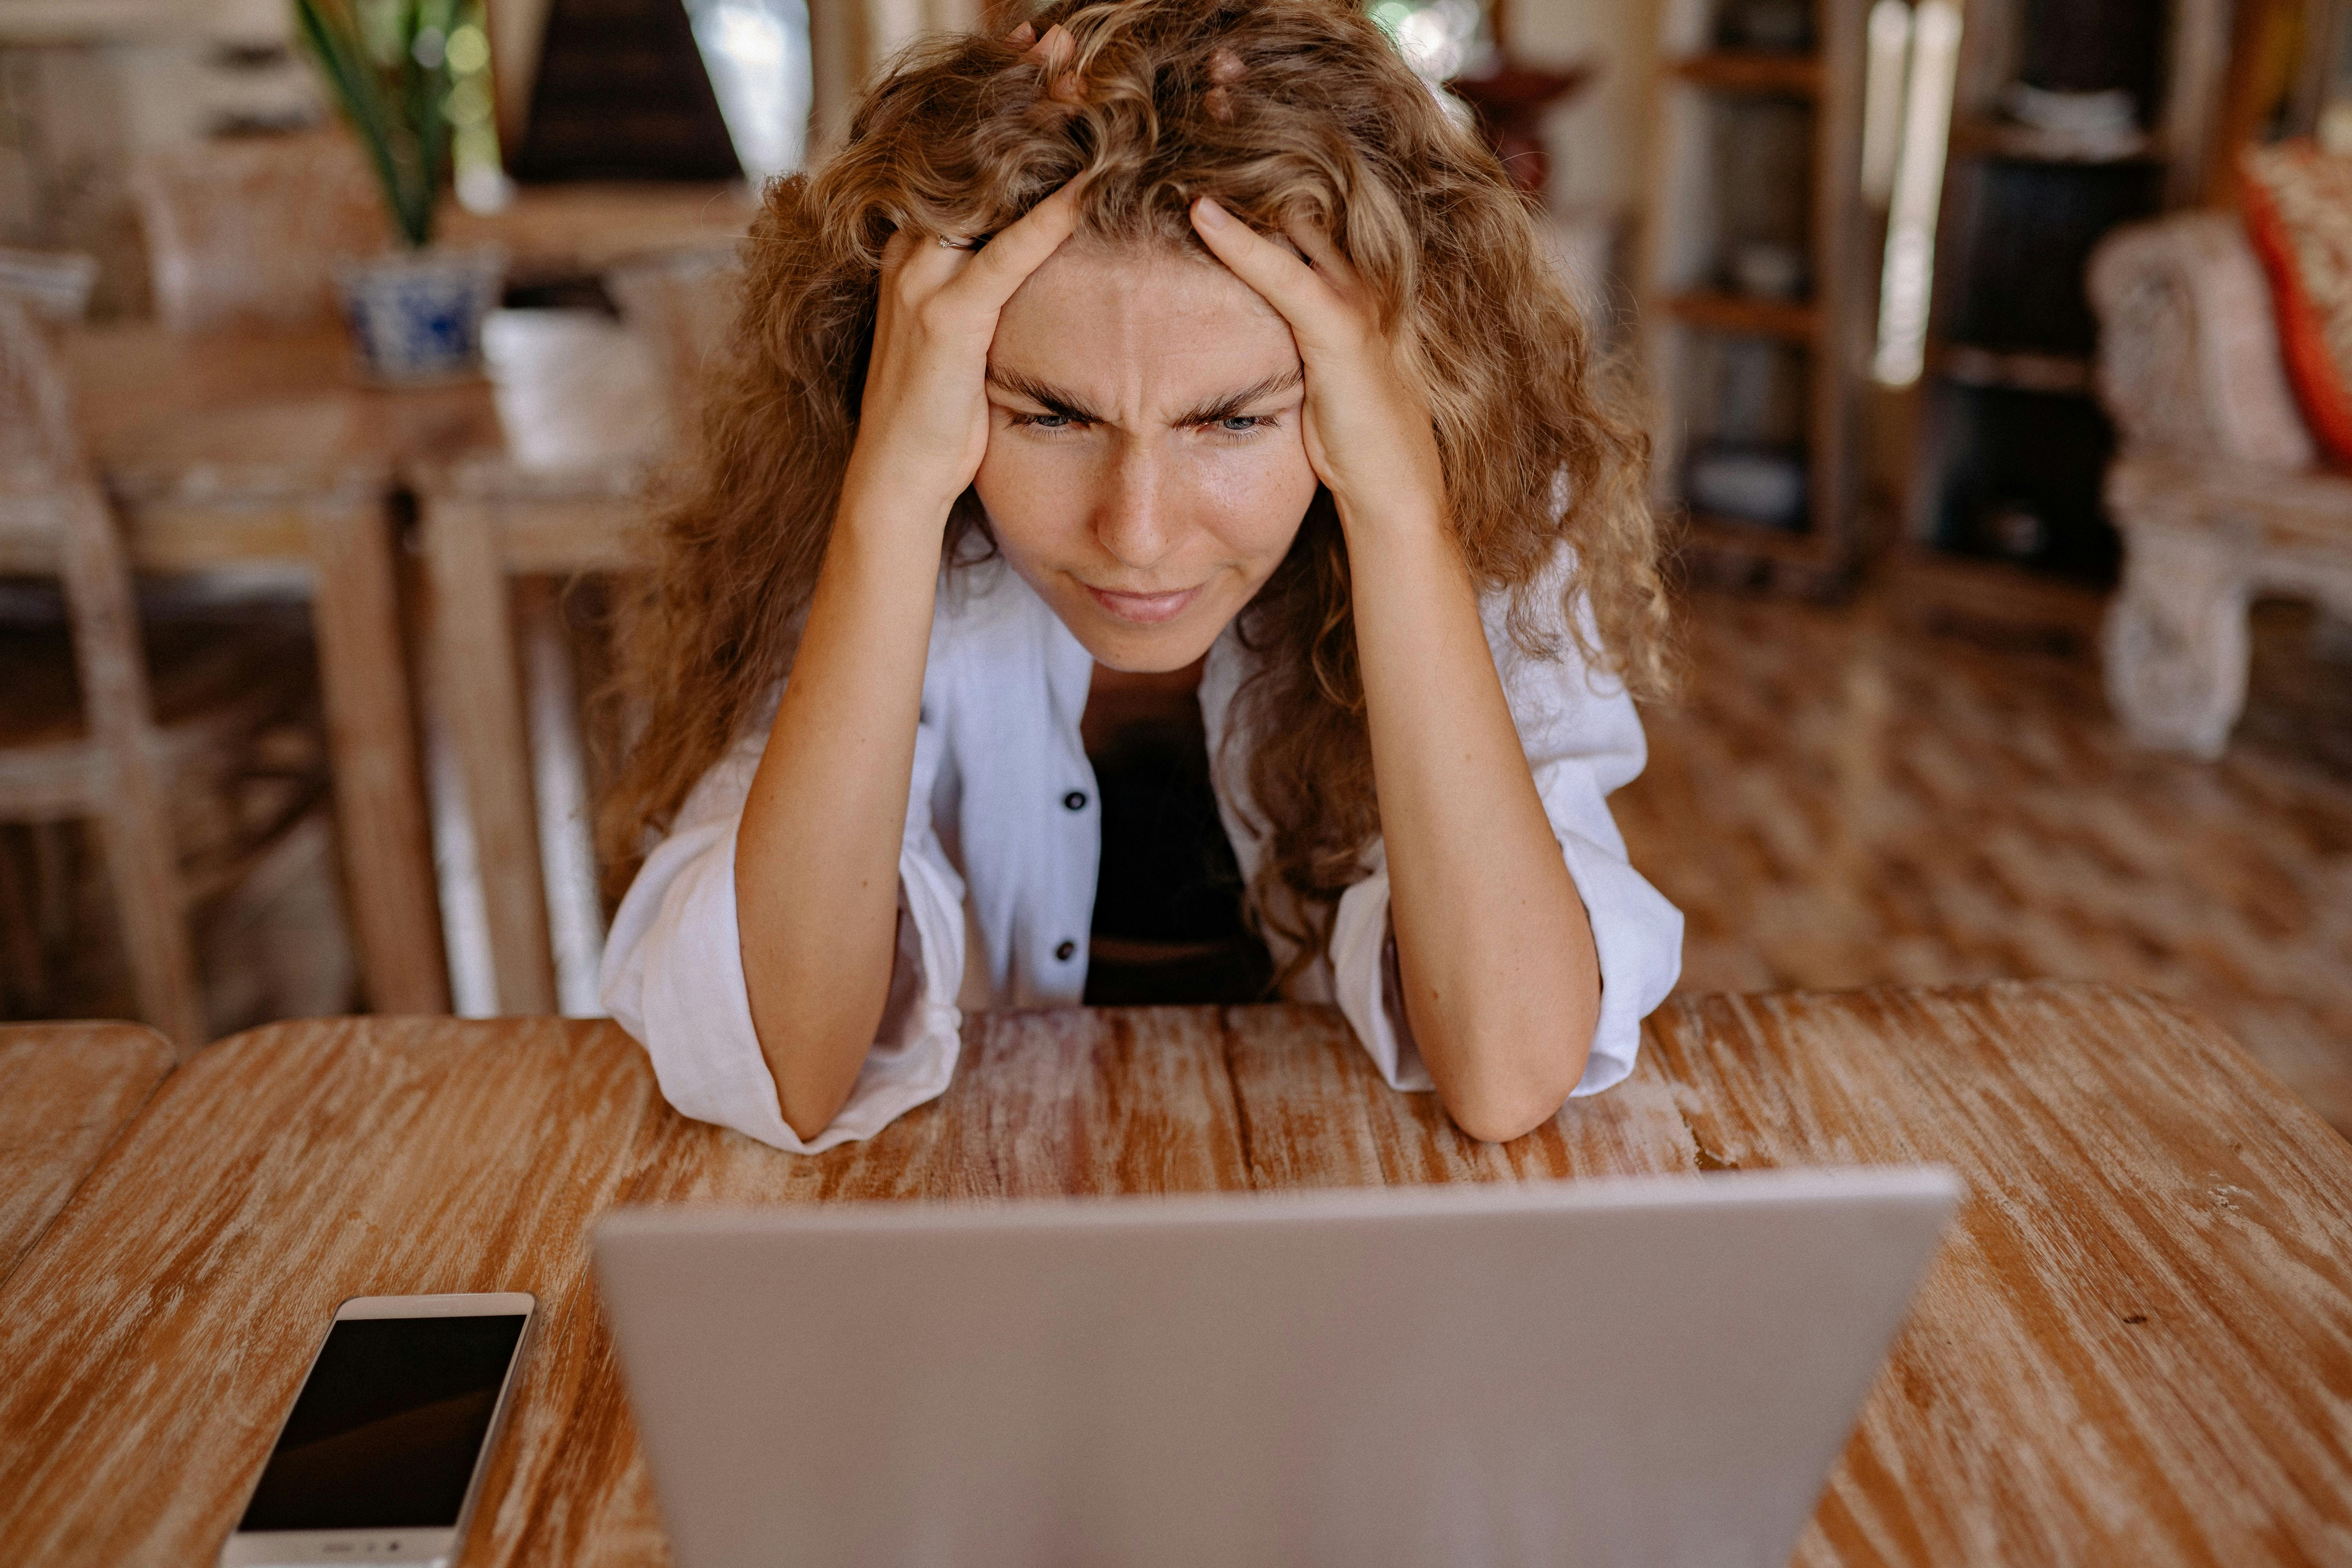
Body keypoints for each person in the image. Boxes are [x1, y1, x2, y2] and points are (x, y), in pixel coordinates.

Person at [597, 0, 1683, 1152]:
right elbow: (786, 1069)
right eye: (1053, 415)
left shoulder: (1471, 507)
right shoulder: (856, 503)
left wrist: (1402, 515)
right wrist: (891, 497)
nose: (1141, 534)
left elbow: (1511, 1071)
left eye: (1232, 420)